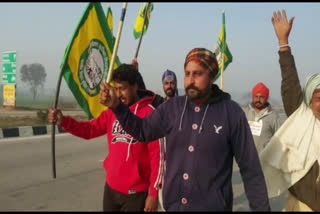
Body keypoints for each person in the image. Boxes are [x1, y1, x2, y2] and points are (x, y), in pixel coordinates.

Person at [99, 48, 271, 211]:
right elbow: (143, 131)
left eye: (197, 74)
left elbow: (251, 170)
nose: (190, 80)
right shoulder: (172, 107)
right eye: (187, 74)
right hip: (174, 207)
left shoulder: (232, 113)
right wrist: (117, 107)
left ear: (211, 76)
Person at [48, 64, 163, 212]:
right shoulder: (113, 111)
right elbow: (89, 130)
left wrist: (153, 194)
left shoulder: (150, 115)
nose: (118, 94)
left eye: (122, 88)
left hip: (136, 194)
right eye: (115, 89)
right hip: (111, 188)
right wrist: (63, 121)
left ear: (135, 86)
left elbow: (158, 158)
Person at [260, 10, 320, 211]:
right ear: (309, 100)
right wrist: (283, 43)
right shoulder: (301, 117)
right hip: (301, 205)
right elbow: (290, 83)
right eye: (319, 99)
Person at [242, 82, 281, 155]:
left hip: (265, 161)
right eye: (256, 96)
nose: (258, 100)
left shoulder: (273, 117)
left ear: (266, 98)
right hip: (246, 160)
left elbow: (279, 140)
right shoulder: (244, 113)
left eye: (261, 97)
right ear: (253, 97)